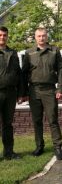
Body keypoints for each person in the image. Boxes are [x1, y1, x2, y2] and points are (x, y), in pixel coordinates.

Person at [22, 28, 62, 160]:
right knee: (37, 120)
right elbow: (24, 74)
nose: (41, 38)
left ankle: (58, 147)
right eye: (39, 36)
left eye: (43, 36)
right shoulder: (29, 53)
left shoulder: (54, 51)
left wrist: (60, 89)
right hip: (34, 90)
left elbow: (61, 70)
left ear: (47, 37)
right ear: (35, 37)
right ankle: (39, 146)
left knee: (53, 119)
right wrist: (23, 93)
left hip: (50, 90)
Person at [0, 26, 22, 160]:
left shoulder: (13, 53)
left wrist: (20, 93)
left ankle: (9, 152)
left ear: (7, 36)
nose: (2, 37)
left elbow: (18, 74)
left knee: (8, 124)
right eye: (0, 35)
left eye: (4, 35)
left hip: (10, 94)